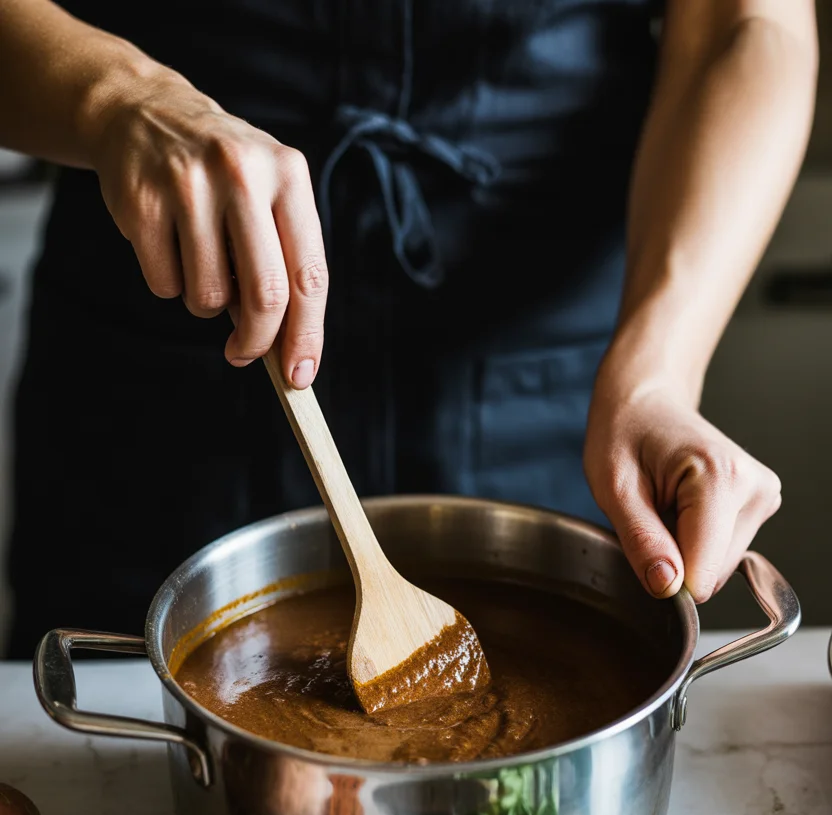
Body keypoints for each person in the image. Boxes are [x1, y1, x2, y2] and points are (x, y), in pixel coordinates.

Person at [0, 0, 818, 658]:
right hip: (169, 340)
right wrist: (114, 96)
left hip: (549, 360)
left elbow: (746, 25)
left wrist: (659, 371)